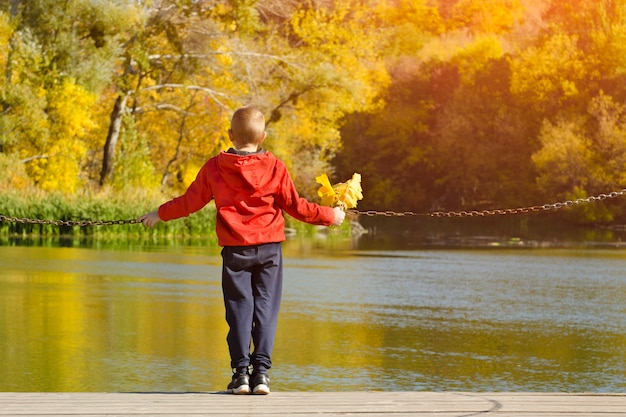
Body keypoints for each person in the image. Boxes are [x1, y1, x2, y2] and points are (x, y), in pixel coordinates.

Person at [139, 106, 345, 395]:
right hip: (270, 251)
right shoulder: (276, 167)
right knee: (265, 311)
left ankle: (241, 376)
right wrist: (330, 216)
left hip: (236, 252)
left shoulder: (214, 167)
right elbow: (297, 207)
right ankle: (261, 375)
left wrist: (159, 213)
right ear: (263, 136)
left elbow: (189, 202)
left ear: (230, 135)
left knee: (238, 311)